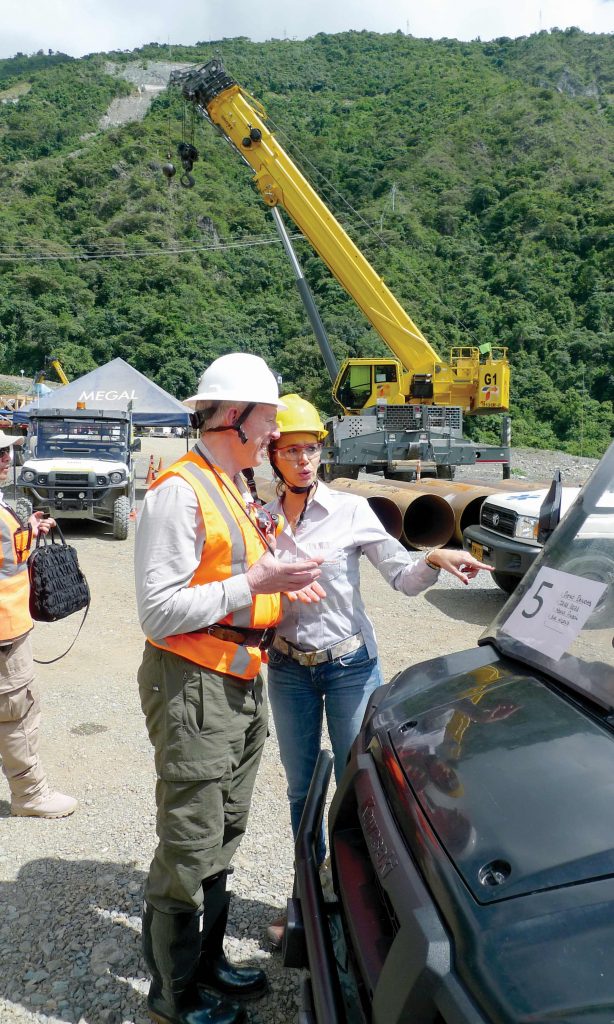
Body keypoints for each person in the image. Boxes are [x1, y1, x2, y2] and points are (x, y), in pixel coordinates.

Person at [134, 355, 324, 1024]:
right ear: (235, 416)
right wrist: (257, 585)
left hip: (239, 680)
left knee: (225, 827)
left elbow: (244, 569)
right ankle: (174, 997)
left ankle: (206, 962)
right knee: (190, 839)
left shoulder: (234, 483)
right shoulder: (180, 491)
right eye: (269, 416)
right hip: (193, 684)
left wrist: (280, 581)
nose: (276, 430)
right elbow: (157, 611)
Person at [263, 394, 492, 946]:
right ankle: (306, 899)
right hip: (288, 668)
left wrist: (434, 556)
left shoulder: (350, 511)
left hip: (348, 667)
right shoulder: (260, 518)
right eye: (291, 450)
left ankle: (363, 902)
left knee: (357, 786)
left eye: (311, 448)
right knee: (300, 790)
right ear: (273, 457)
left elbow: (402, 578)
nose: (303, 460)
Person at [0, 430, 77, 819]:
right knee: (16, 712)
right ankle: (30, 794)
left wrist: (28, 530)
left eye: (5, 452)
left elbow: (6, 553)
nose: (5, 460)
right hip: (3, 633)